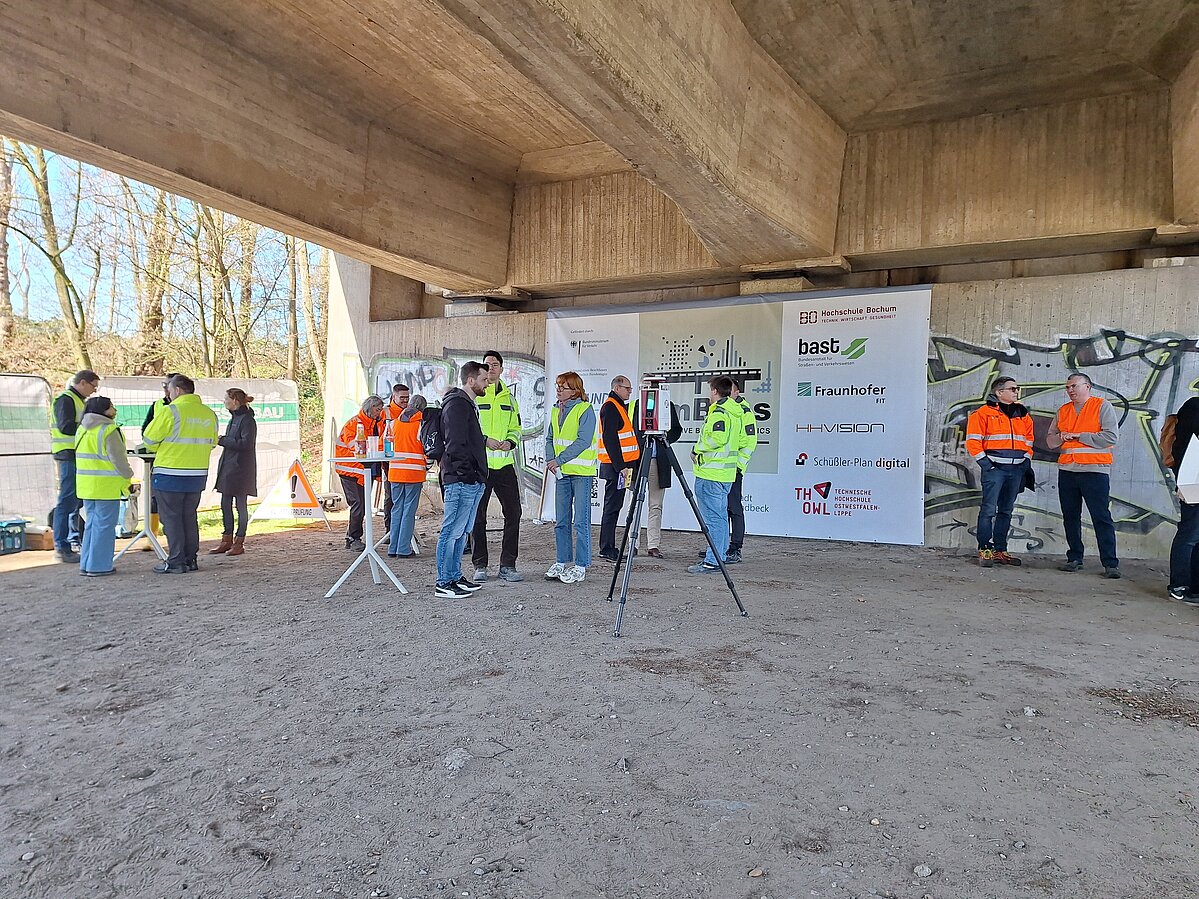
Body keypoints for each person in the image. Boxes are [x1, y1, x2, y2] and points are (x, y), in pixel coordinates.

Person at [142, 374, 218, 574]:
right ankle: (190, 559)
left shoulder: (170, 411)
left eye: (169, 390)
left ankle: (176, 561)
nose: (168, 394)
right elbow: (212, 443)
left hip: (169, 473)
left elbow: (149, 440)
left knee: (172, 519)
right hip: (197, 475)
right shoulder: (209, 414)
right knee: (189, 517)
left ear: (176, 390)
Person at [1048, 372, 1120, 578]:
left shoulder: (1102, 406)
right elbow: (1050, 440)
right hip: (1068, 471)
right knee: (1070, 516)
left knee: (1101, 517)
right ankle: (1074, 558)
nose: (1070, 390)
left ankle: (1110, 563)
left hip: (1094, 471)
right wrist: (1062, 437)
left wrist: (1079, 436)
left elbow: (1111, 437)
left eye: (1074, 386)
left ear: (1087, 386)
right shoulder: (1063, 410)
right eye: (1068, 387)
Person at [965, 375, 1034, 567]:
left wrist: (1025, 461)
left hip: (1016, 470)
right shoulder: (982, 413)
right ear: (999, 392)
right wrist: (987, 465)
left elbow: (1029, 439)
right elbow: (973, 441)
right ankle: (985, 549)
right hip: (995, 470)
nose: (1016, 391)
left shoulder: (1022, 413)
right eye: (1012, 389)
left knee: (1006, 510)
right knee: (988, 510)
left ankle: (1000, 550)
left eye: (1017, 388)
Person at [434, 361, 490, 598]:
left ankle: (455, 576)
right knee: (451, 531)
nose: (487, 383)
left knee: (462, 531)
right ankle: (443, 582)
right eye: (484, 379)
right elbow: (455, 444)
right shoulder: (457, 405)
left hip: (469, 479)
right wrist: (467, 474)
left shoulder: (465, 404)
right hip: (460, 479)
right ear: (471, 380)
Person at [471, 350, 525, 583]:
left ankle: (508, 565)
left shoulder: (509, 398)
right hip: (480, 465)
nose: (491, 368)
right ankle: (480, 565)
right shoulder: (476, 395)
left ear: (502, 369)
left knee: (514, 513)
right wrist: (484, 441)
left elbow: (516, 428)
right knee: (478, 516)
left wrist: (510, 442)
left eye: (495, 364)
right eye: (487, 364)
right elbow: (468, 428)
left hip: (504, 465)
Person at [545, 371, 597, 583]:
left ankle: (581, 566)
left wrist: (558, 460)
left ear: (575, 390)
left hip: (581, 473)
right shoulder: (555, 409)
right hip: (561, 473)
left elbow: (583, 441)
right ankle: (561, 561)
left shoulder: (585, 409)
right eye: (557, 386)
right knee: (561, 521)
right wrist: (551, 459)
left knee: (580, 521)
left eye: (563, 387)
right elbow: (550, 438)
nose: (558, 390)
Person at [74, 395, 132, 577]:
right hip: (106, 487)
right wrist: (129, 476)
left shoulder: (82, 429)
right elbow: (118, 460)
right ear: (104, 411)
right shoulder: (109, 430)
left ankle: (87, 563)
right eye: (111, 406)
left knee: (91, 525)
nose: (114, 410)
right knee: (105, 527)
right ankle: (99, 566)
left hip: (86, 486)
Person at [688, 376, 739, 574]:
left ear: (716, 391)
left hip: (711, 474)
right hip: (724, 474)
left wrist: (697, 449)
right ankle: (719, 556)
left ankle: (713, 561)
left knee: (714, 520)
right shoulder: (734, 412)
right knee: (720, 518)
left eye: (711, 390)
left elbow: (717, 438)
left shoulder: (719, 412)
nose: (709, 394)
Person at [50, 369, 100, 562]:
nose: (94, 391)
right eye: (93, 386)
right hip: (68, 455)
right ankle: (62, 547)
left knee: (75, 501)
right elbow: (66, 427)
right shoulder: (66, 399)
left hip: (75, 455)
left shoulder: (77, 400)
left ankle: (72, 541)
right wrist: (89, 426)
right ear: (82, 383)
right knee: (67, 500)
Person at [334, 395, 387, 551]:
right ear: (369, 409)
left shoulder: (375, 423)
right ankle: (353, 538)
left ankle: (353, 536)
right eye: (377, 410)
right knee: (358, 504)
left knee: (361, 505)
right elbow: (356, 446)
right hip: (351, 470)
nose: (379, 413)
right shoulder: (355, 424)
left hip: (364, 470)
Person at [209, 388, 257, 557]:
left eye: (226, 398)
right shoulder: (234, 418)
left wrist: (223, 440)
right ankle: (226, 540)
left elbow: (246, 444)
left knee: (241, 506)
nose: (224, 401)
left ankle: (239, 541)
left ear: (235, 401)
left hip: (241, 470)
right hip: (228, 468)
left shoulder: (248, 420)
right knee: (225, 504)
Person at [597, 374, 640, 562]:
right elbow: (610, 439)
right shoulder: (611, 407)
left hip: (621, 467)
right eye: (627, 388)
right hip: (617, 468)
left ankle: (608, 547)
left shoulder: (618, 406)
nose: (630, 392)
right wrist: (621, 466)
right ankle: (607, 548)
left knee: (615, 507)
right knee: (612, 507)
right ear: (617, 388)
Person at [633, 397, 682, 558]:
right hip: (638, 460)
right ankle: (633, 544)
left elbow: (676, 429)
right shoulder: (637, 405)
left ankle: (653, 545)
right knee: (635, 504)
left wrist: (664, 437)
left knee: (656, 504)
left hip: (659, 460)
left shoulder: (667, 404)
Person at [141, 372, 181, 546]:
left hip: (180, 462)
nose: (165, 389)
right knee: (155, 498)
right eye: (163, 385)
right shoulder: (157, 405)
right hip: (158, 461)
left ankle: (177, 541)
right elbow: (146, 431)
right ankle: (152, 536)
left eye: (168, 385)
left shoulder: (186, 407)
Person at [387, 394, 427, 559]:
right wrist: (427, 466)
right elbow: (427, 449)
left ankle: (393, 547)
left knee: (397, 508)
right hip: (414, 473)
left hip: (395, 472)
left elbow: (384, 445)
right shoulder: (421, 425)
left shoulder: (393, 423)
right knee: (409, 511)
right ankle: (403, 548)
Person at [1167, 394, 1199, 603]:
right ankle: (1179, 585)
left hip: (1191, 478)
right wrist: (1184, 482)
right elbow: (1185, 447)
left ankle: (1193, 586)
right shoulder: (1194, 407)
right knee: (1189, 534)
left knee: (1193, 535)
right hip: (1193, 480)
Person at [724, 379, 758, 564]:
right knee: (720, 508)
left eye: (729, 390)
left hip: (733, 469)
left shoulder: (744, 411)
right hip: (720, 469)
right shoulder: (723, 409)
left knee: (734, 507)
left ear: (737, 392)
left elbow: (749, 442)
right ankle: (719, 545)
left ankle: (735, 547)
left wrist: (738, 466)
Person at [382, 382, 411, 534]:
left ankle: (403, 531)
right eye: (402, 398)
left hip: (407, 461)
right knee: (391, 497)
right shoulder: (385, 413)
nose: (405, 400)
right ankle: (390, 530)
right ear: (394, 397)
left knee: (405, 500)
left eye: (407, 397)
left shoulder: (411, 412)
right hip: (390, 462)